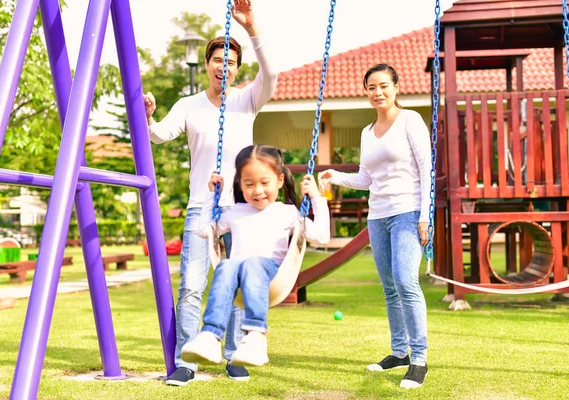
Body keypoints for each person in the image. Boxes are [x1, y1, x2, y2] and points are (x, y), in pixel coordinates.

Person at [144, 0, 278, 386]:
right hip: (202, 207)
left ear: (238, 68)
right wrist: (148, 113)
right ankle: (187, 359)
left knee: (237, 284)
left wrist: (251, 28)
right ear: (207, 64)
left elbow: (271, 74)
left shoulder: (247, 100)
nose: (224, 66)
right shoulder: (188, 105)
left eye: (231, 62)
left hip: (241, 210)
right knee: (191, 285)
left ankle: (234, 354)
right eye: (218, 59)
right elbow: (158, 135)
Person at [318, 63, 431, 389]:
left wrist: (425, 215)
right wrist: (334, 176)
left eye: (383, 85)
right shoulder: (367, 133)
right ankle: (398, 352)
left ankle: (419, 358)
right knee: (390, 288)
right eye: (371, 87)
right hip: (378, 217)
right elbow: (367, 178)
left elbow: (426, 171)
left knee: (405, 280)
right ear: (366, 91)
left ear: (396, 87)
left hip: (408, 213)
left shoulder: (410, 120)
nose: (377, 92)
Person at [180, 144, 330, 367]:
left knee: (252, 263)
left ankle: (256, 335)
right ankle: (210, 336)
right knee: (226, 266)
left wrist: (317, 198)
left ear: (279, 180)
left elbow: (322, 236)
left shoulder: (287, 212)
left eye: (264, 183)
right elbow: (205, 231)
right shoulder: (234, 212)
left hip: (271, 276)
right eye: (249, 184)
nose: (257, 190)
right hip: (239, 279)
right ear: (240, 184)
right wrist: (211, 196)